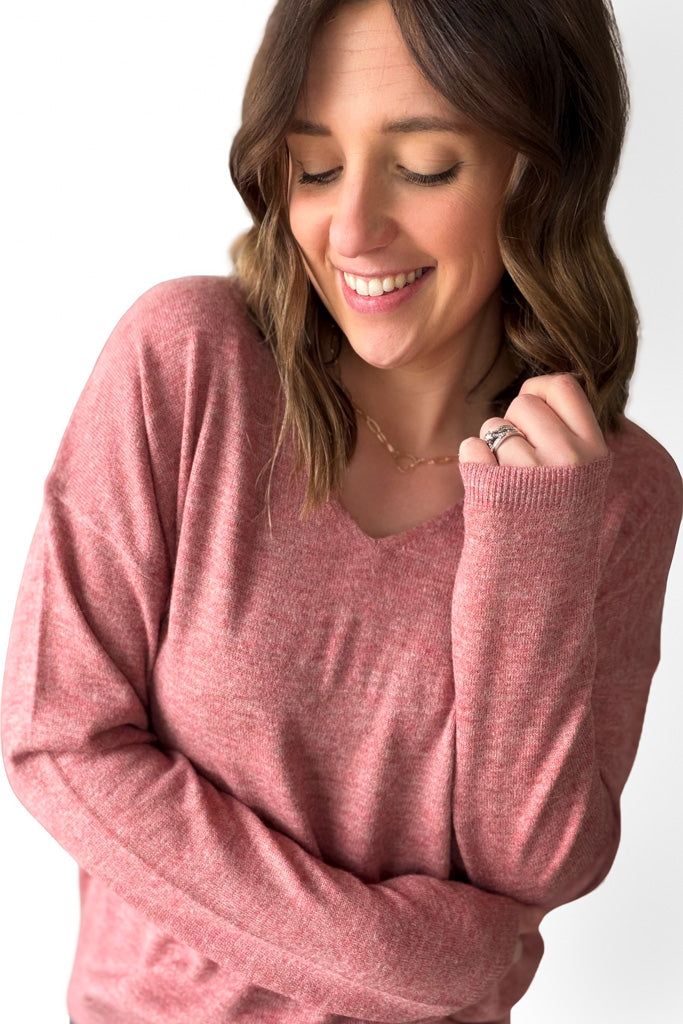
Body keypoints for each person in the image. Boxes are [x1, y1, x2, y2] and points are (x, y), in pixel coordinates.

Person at [1, 0, 681, 1022]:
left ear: (534, 174)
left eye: (422, 166)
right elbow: (56, 739)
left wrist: (527, 540)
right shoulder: (185, 366)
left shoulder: (614, 491)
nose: (350, 229)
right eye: (314, 167)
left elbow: (530, 862)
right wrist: (402, 965)